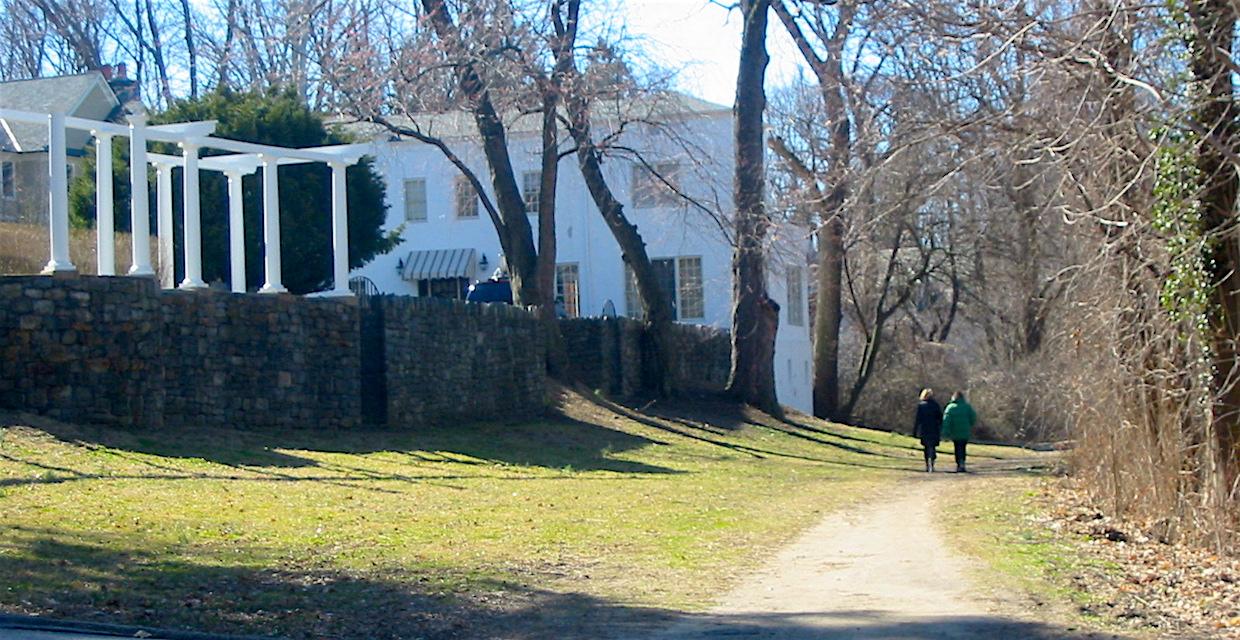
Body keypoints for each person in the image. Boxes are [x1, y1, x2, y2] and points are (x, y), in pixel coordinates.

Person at [942, 391, 978, 473]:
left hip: (955, 431)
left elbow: (946, 420)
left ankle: (959, 463)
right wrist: (970, 424)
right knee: (963, 447)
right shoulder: (967, 407)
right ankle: (962, 462)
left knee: (957, 447)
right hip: (965, 431)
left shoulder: (950, 407)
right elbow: (973, 417)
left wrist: (946, 431)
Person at [912, 388, 942, 473]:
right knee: (932, 446)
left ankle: (927, 464)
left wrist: (915, 430)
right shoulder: (936, 405)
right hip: (934, 428)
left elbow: (918, 419)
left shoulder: (921, 405)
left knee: (926, 447)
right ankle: (932, 462)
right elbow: (940, 418)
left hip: (925, 429)